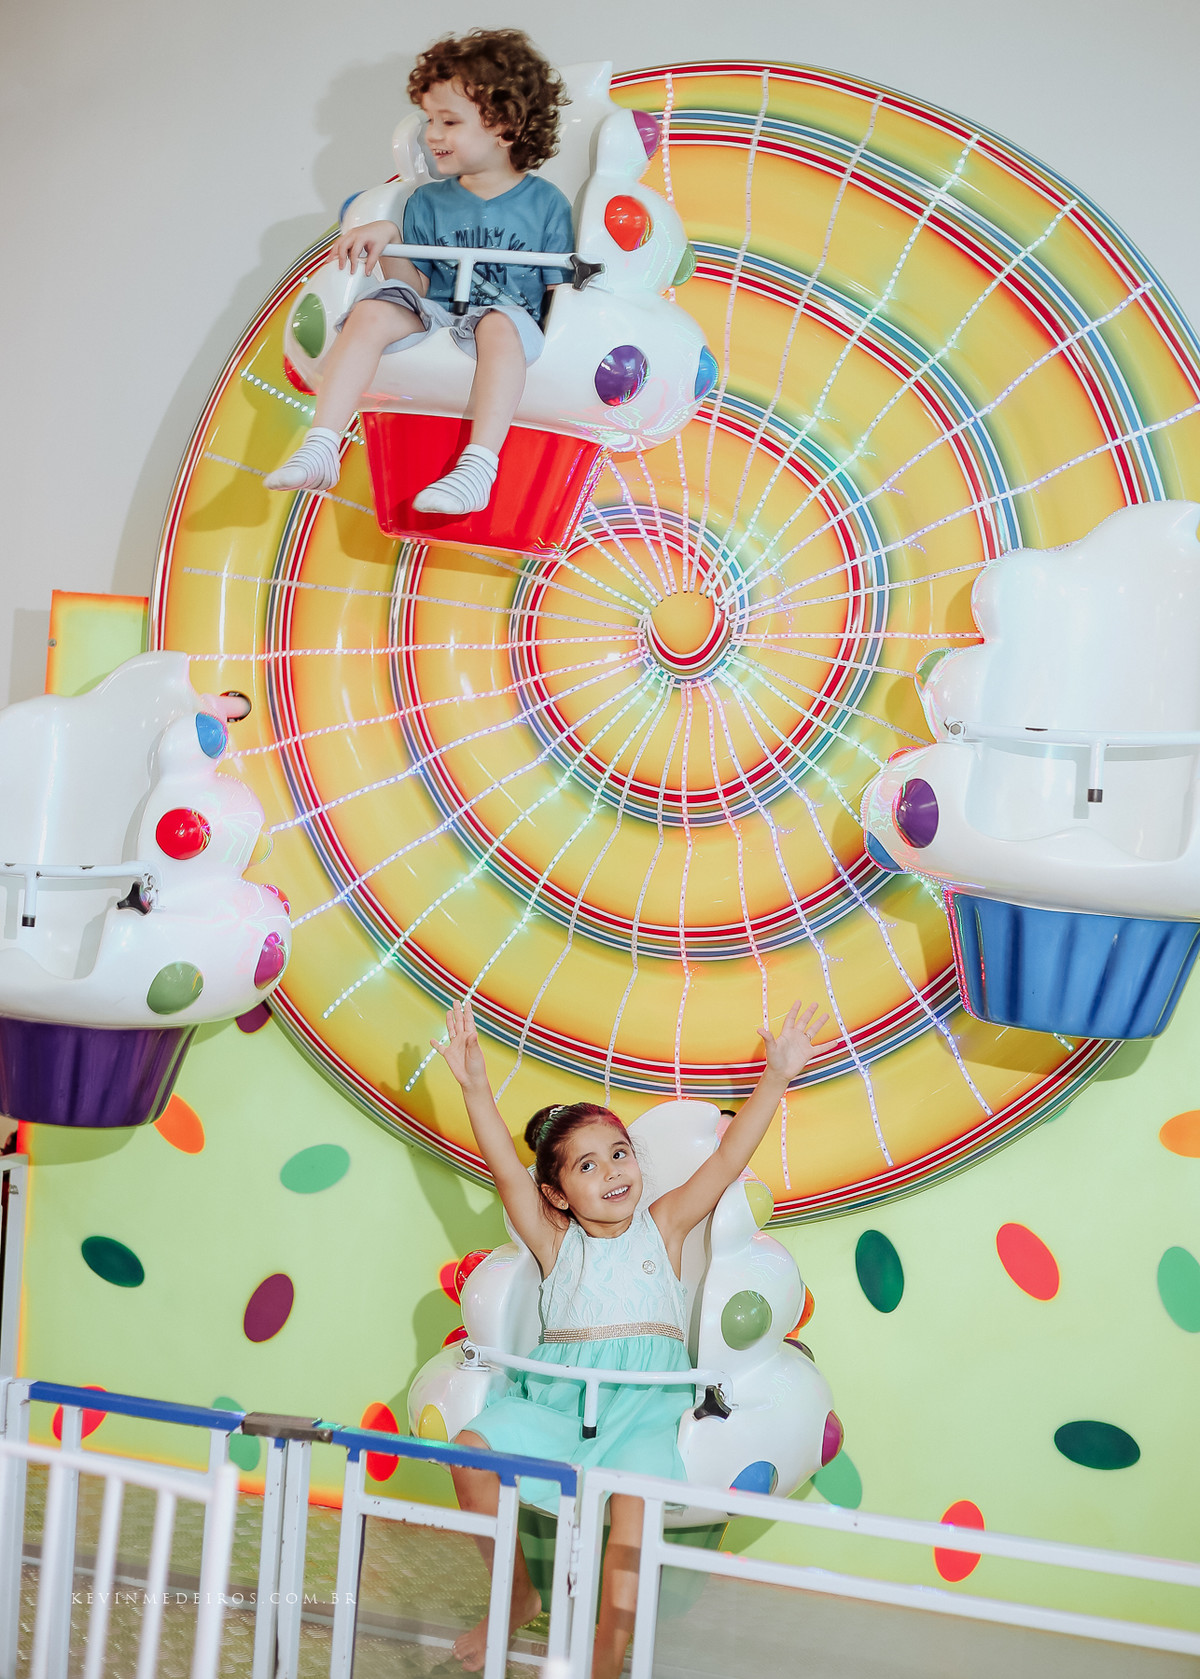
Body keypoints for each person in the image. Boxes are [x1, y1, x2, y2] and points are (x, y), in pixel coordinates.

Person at [432, 995, 828, 1678]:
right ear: (555, 1194)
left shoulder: (664, 1224)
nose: (614, 1170)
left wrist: (777, 1075)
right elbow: (502, 1165)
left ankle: (604, 1661)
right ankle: (517, 1592)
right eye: (587, 1165)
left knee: (634, 1512)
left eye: (619, 1153)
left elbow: (730, 1158)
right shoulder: (553, 1240)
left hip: (642, 1409)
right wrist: (473, 1084)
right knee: (470, 1450)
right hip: (559, 1405)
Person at [266, 29, 572, 515]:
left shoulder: (547, 205)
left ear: (506, 126)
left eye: (449, 121)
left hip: (504, 326)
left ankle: (478, 468)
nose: (432, 134)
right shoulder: (427, 202)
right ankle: (323, 443)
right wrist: (390, 237)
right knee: (372, 311)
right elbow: (413, 289)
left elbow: (562, 297)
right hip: (441, 312)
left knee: (497, 322)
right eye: (429, 119)